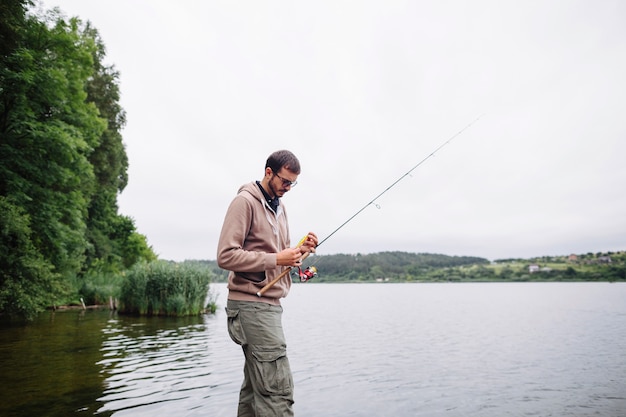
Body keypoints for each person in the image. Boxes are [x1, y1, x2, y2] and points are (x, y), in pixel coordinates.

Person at [217, 149, 318, 416]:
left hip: (269, 306)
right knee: (277, 391)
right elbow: (225, 255)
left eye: (292, 183)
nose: (288, 188)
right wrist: (276, 259)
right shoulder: (244, 202)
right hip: (252, 306)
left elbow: (280, 253)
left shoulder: (280, 207)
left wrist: (300, 251)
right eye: (285, 181)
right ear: (268, 172)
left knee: (254, 392)